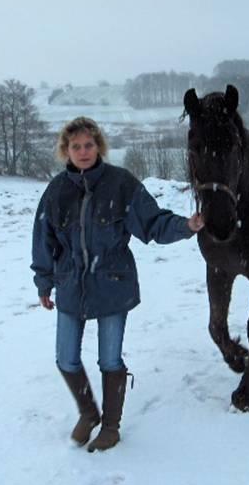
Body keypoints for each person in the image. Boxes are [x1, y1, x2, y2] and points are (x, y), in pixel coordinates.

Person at [31, 116, 204, 452]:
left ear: (99, 147)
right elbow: (44, 239)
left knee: (109, 360)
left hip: (113, 282)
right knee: (65, 358)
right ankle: (88, 413)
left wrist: (186, 225)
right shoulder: (56, 191)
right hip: (70, 284)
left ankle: (111, 426)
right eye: (76, 146)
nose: (83, 152)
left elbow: (153, 223)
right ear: (66, 150)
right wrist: (44, 282)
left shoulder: (120, 183)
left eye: (89, 145)